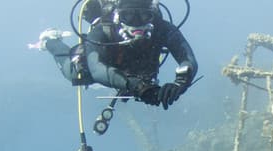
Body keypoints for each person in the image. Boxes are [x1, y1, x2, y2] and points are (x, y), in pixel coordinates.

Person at [35, 0, 197, 110]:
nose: (136, 22)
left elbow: (187, 58)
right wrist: (134, 85)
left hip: (138, 74)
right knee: (74, 72)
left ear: (152, 15)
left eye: (143, 15)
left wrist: (180, 84)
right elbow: (96, 69)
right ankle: (51, 40)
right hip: (107, 64)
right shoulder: (104, 30)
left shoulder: (162, 28)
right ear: (119, 16)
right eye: (129, 15)